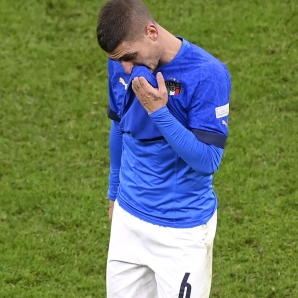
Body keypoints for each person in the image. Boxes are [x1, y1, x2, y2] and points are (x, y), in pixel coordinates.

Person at [96, 0, 232, 297]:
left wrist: (159, 112)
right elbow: (119, 124)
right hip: (128, 221)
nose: (126, 68)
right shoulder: (121, 59)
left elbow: (208, 160)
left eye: (130, 57)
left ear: (151, 32)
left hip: (180, 233)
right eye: (119, 60)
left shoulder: (207, 75)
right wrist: (114, 193)